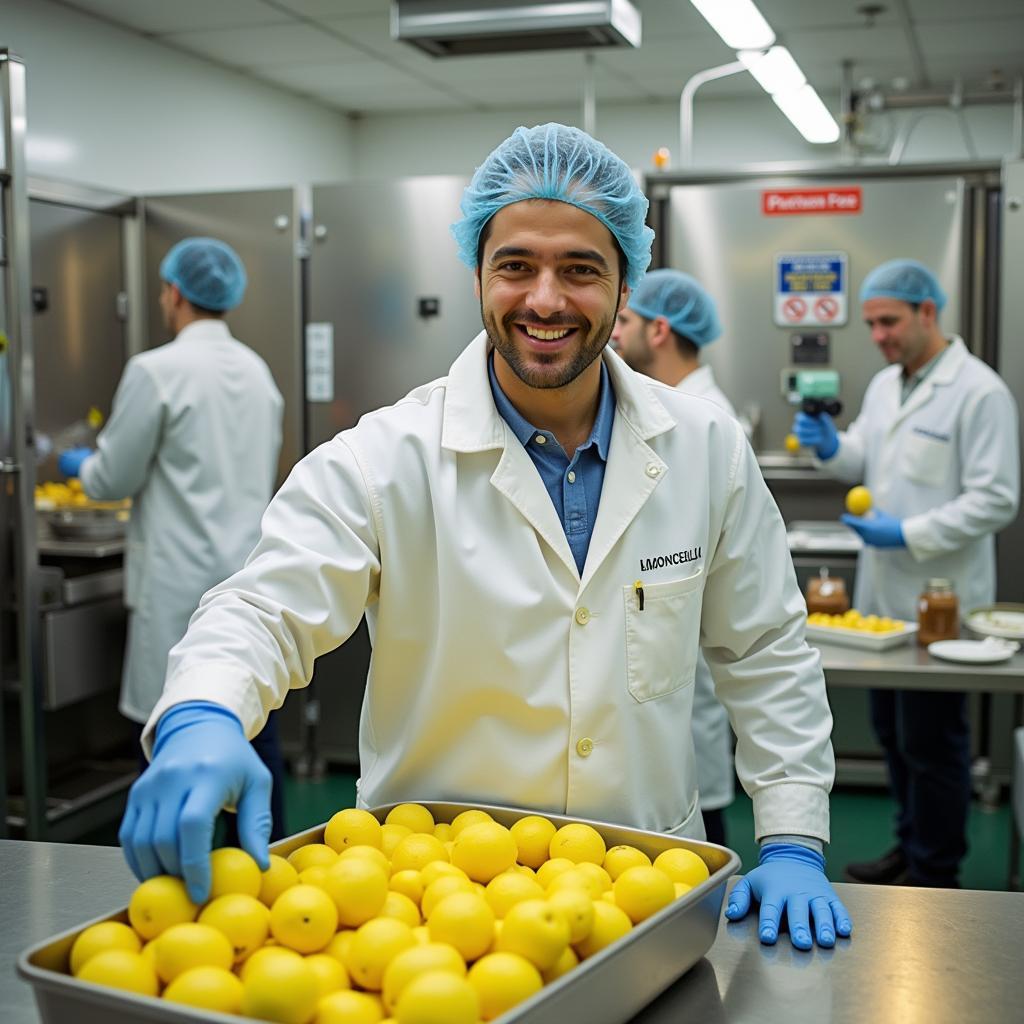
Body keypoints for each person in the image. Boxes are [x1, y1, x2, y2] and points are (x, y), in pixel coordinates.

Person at [121, 124, 851, 951]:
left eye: (581, 269)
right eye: (516, 266)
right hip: (429, 903)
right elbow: (263, 608)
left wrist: (792, 838)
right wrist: (204, 714)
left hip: (643, 888)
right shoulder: (383, 457)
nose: (545, 299)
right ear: (477, 275)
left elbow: (765, 651)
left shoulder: (706, 450)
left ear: (624, 292)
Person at [793, 258, 1020, 888]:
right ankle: (907, 844)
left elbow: (997, 498)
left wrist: (909, 533)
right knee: (893, 733)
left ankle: (935, 868)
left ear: (927, 311)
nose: (879, 335)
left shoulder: (979, 391)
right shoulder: (888, 385)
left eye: (888, 321)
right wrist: (831, 447)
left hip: (937, 605)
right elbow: (864, 458)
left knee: (933, 742)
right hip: (882, 602)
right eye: (870, 323)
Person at [58, 237, 288, 841]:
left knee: (173, 729)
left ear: (175, 294)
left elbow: (112, 478)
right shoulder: (257, 372)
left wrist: (79, 463)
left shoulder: (155, 370)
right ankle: (270, 862)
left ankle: (168, 874)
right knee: (252, 728)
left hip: (176, 587)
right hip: (246, 579)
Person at [610, 268, 736, 847]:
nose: (614, 331)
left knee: (699, 845)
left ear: (660, 330)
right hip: (641, 677)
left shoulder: (706, 420)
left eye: (627, 320)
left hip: (681, 681)